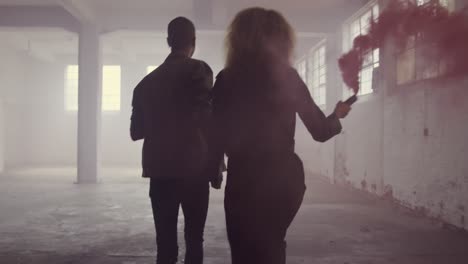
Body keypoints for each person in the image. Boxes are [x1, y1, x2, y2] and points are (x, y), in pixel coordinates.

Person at [207, 7, 352, 264]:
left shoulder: (226, 79)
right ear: (281, 39)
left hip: (244, 179)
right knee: (272, 246)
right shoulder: (288, 78)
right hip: (283, 178)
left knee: (243, 252)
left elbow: (216, 131)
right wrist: (337, 115)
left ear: (238, 39)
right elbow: (320, 131)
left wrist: (215, 164)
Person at [130, 17, 220, 264]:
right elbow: (209, 121)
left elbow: (136, 131)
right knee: (194, 239)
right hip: (195, 169)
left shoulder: (144, 85)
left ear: (169, 41)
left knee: (165, 244)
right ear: (193, 42)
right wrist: (216, 165)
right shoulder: (200, 71)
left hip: (160, 172)